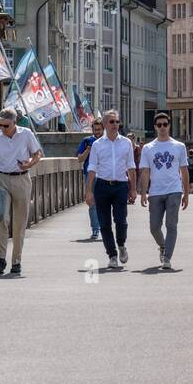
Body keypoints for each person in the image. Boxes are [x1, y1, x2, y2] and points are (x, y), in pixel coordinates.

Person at [0, 107, 44, 275]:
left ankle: (16, 261)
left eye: (6, 125)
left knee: (20, 223)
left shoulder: (26, 134)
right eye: (0, 125)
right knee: (2, 219)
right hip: (2, 180)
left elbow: (38, 154)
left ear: (15, 123)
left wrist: (29, 164)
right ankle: (1, 258)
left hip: (22, 179)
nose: (2, 128)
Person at [86, 110, 137, 268]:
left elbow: (131, 167)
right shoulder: (97, 144)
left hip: (121, 185)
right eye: (112, 122)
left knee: (121, 221)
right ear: (105, 125)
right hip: (102, 185)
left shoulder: (126, 143)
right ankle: (112, 255)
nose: (115, 125)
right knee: (105, 224)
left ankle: (121, 245)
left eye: (117, 122)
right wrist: (89, 191)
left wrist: (133, 189)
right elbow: (92, 168)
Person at [139, 112, 190, 269]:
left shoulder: (179, 146)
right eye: (159, 125)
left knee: (171, 225)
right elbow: (145, 171)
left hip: (174, 190)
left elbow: (184, 170)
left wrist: (186, 193)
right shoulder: (148, 148)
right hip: (155, 191)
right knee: (154, 227)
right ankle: (163, 246)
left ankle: (167, 258)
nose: (162, 127)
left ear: (169, 126)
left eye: (165, 124)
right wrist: (143, 193)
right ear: (155, 127)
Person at [76, 117, 104, 240]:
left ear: (103, 129)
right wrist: (88, 149)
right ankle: (95, 229)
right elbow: (80, 159)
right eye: (95, 129)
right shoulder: (86, 141)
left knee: (105, 204)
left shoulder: (107, 141)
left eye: (99, 129)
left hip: (104, 175)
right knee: (92, 203)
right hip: (90, 176)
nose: (97, 132)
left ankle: (104, 228)